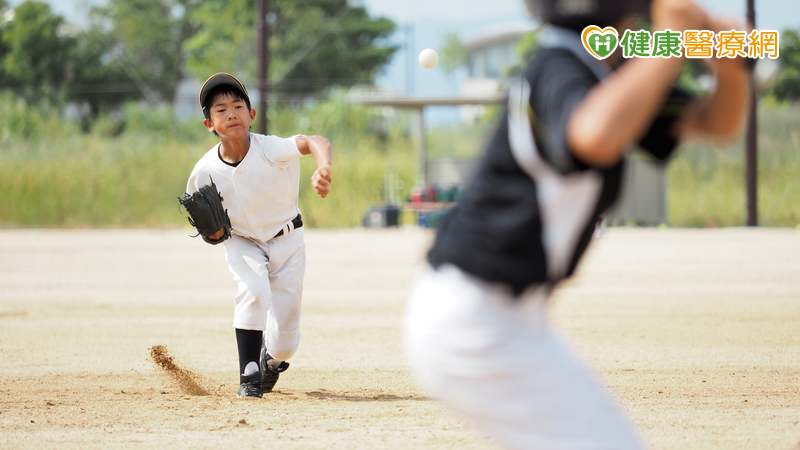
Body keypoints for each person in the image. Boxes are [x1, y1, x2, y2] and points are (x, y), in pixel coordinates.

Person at [404, 0, 748, 448]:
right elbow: (593, 137)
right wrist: (675, 42)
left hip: (507, 317)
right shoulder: (559, 64)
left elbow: (716, 123)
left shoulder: (607, 71)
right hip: (475, 317)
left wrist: (732, 61)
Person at [185, 72, 333, 398]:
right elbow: (210, 231)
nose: (231, 112)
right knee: (252, 291)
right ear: (209, 124)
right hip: (243, 241)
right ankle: (249, 375)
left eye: (238, 105)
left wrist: (323, 167)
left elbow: (315, 142)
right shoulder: (203, 172)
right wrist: (214, 234)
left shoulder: (270, 149)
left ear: (252, 115)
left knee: (286, 343)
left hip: (287, 240)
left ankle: (270, 360)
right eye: (220, 109)